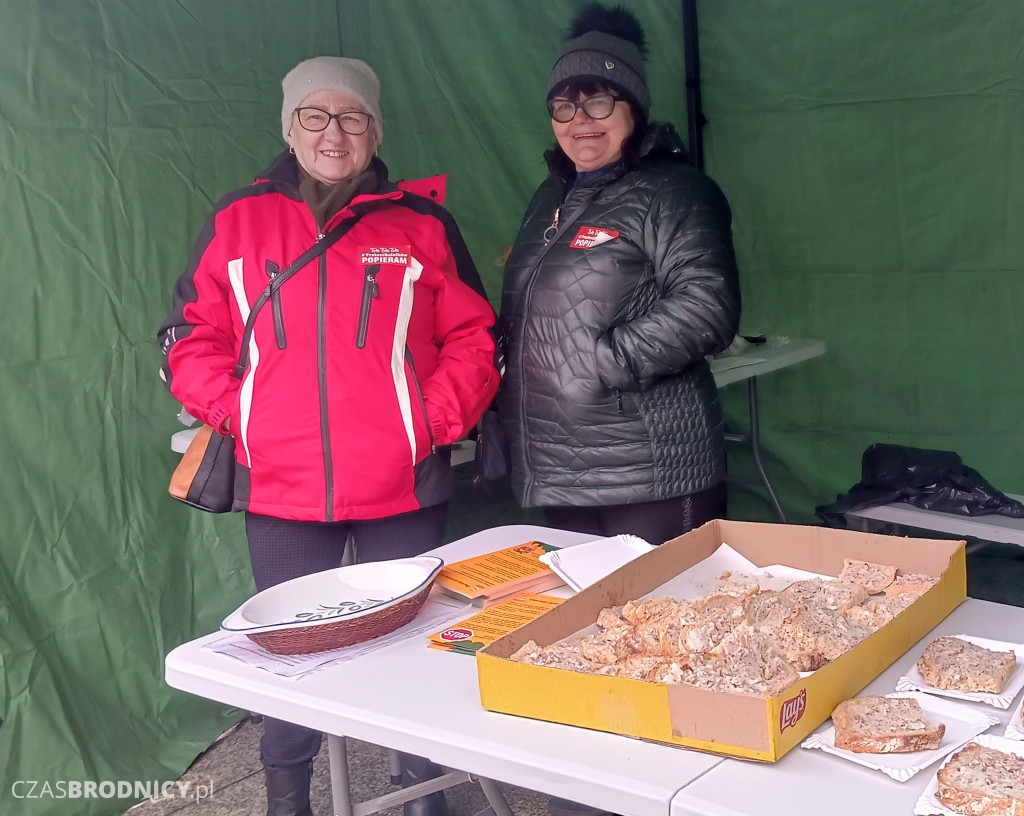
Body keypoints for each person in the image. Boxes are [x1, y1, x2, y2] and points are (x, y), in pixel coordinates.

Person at [158, 57, 498, 816]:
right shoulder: (237, 219)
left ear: (375, 131)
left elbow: (476, 336)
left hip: (401, 484)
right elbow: (189, 334)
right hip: (281, 487)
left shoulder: (420, 224)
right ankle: (288, 795)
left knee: (415, 646)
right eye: (316, 115)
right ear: (289, 127)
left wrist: (430, 422)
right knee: (288, 658)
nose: (333, 132)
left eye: (352, 116)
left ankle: (422, 789)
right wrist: (244, 415)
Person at [499, 3, 741, 550]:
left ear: (633, 108)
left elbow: (707, 305)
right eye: (564, 107)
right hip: (560, 464)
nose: (579, 121)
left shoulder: (673, 189)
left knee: (667, 615)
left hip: (648, 466)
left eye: (598, 102)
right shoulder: (550, 195)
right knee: (587, 621)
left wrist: (601, 362)